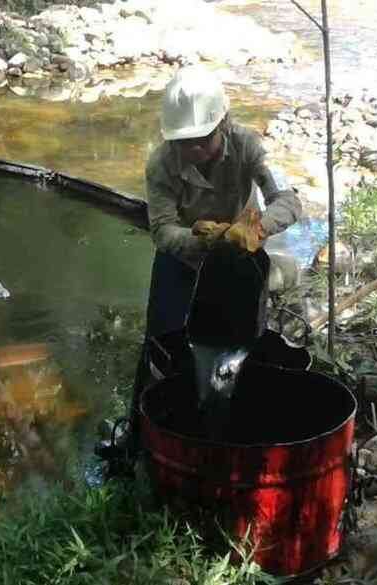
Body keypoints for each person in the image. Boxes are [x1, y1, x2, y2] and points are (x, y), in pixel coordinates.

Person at [111, 65, 303, 462]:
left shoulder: (248, 147)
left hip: (240, 256)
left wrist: (256, 229)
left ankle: (233, 434)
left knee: (242, 344)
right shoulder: (161, 165)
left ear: (224, 124)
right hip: (183, 257)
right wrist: (199, 237)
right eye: (185, 143)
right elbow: (162, 229)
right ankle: (138, 438)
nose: (195, 150)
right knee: (161, 346)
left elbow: (289, 200)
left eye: (203, 140)